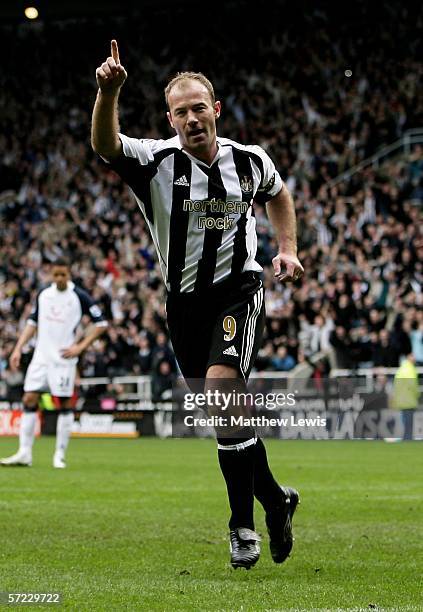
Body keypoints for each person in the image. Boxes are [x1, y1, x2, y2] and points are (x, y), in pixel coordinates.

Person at [91, 40, 304, 569]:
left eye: (198, 107)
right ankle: (276, 502)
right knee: (224, 414)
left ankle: (242, 529)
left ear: (217, 110)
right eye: (180, 111)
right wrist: (108, 92)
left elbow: (278, 193)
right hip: (184, 305)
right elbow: (105, 146)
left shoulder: (250, 161)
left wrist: (288, 249)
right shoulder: (157, 161)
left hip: (238, 290)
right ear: (170, 118)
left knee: (221, 388)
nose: (191, 118)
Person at [0, 259, 108, 469]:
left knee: (65, 403)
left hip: (63, 358)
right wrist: (17, 348)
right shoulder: (44, 294)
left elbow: (102, 324)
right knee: (29, 398)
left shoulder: (79, 296)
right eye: (56, 275)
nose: (59, 279)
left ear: (69, 275)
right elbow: (33, 323)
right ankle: (24, 453)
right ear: (51, 274)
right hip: (41, 356)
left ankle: (59, 454)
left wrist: (80, 347)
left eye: (63, 275)